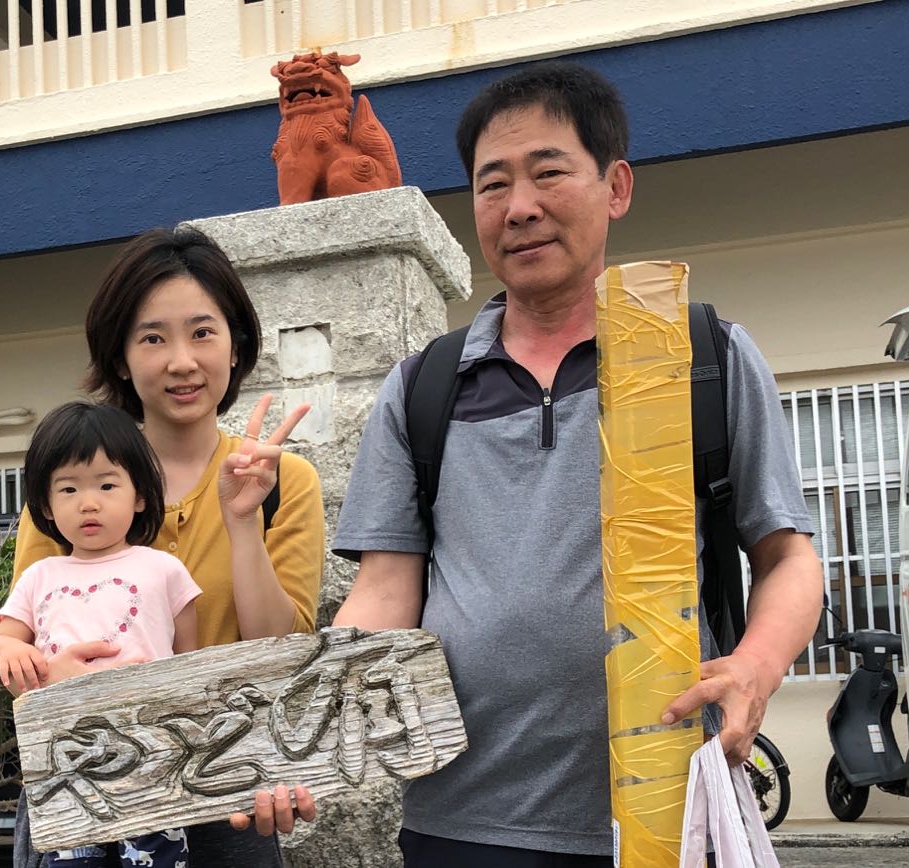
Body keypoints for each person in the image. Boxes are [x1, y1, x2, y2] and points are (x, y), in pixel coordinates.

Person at [323, 62, 825, 866]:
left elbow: (787, 557)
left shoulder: (699, 356)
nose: (519, 207)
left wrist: (756, 669)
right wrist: (313, 730)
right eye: (493, 185)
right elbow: (384, 592)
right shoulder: (424, 388)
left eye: (548, 172)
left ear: (615, 187)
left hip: (665, 812)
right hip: (458, 820)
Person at [10, 226, 324, 866]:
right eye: (153, 337)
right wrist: (46, 677)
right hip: (82, 786)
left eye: (203, 332)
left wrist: (242, 521)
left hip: (229, 792)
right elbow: (22, 645)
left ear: (236, 346)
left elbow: (280, 655)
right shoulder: (69, 489)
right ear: (121, 359)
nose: (182, 361)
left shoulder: (285, 480)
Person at [0, 400, 199, 868]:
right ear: (45, 504)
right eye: (68, 488)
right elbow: (0, 644)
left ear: (139, 494)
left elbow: (189, 662)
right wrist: (17, 654)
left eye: (107, 484)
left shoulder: (165, 570)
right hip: (65, 763)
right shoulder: (40, 575)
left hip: (152, 761)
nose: (89, 502)